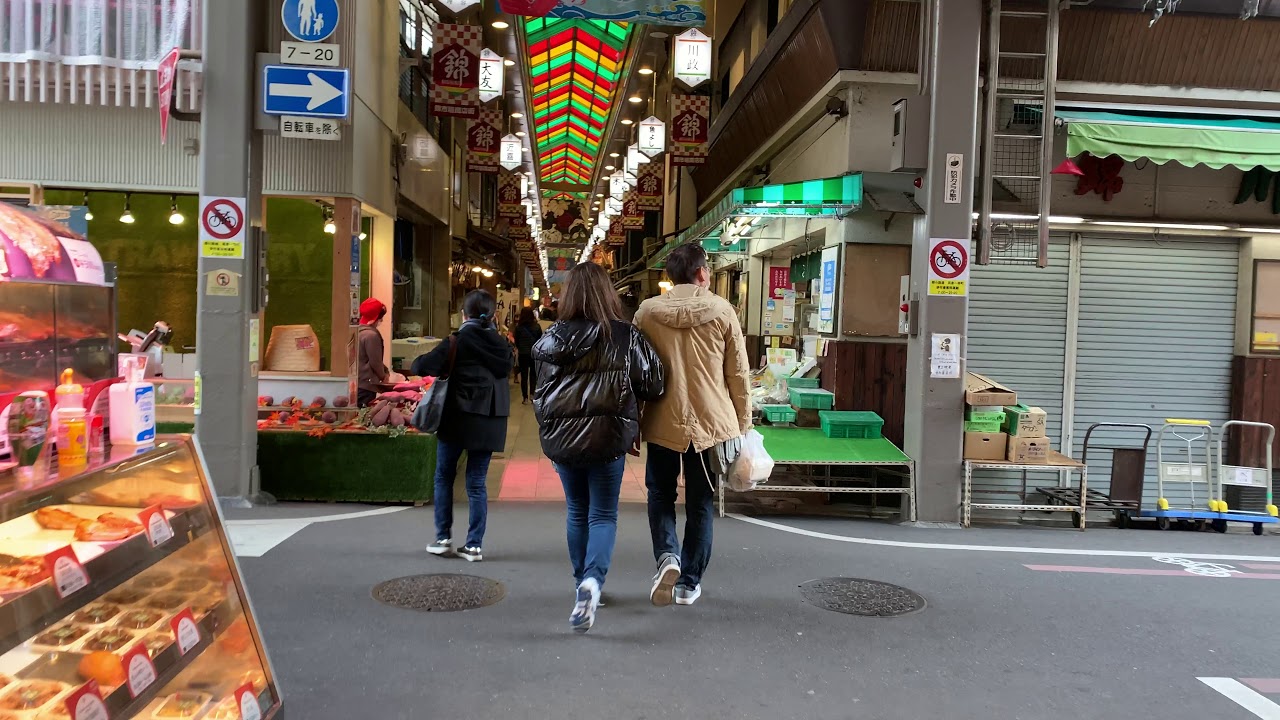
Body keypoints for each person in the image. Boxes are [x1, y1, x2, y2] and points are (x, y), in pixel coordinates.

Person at [533, 262, 665, 633]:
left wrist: (549, 424)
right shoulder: (625, 336)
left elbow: (539, 394)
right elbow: (654, 383)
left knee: (577, 511)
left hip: (562, 442)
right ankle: (593, 581)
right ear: (608, 294)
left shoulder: (549, 339)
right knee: (603, 515)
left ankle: (581, 584)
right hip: (609, 438)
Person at [634, 243, 751, 608]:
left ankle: (667, 556)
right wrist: (743, 423)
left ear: (670, 276)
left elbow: (635, 372)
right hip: (711, 426)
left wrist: (635, 422)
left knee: (660, 495)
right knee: (700, 502)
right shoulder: (722, 310)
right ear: (702, 273)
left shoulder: (647, 313)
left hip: (661, 421)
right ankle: (688, 584)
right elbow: (739, 374)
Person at [412, 290, 514, 563]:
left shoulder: (457, 341)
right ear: (493, 315)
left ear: (464, 314)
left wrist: (421, 361)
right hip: (490, 419)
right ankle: (474, 546)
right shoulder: (503, 345)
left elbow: (422, 365)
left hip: (457, 417)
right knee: (477, 483)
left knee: (444, 476)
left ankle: (443, 538)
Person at [351, 298, 390, 408]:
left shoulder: (355, 331)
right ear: (377, 317)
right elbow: (375, 362)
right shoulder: (371, 336)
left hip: (356, 383)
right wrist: (383, 376)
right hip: (366, 385)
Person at [512, 307, 543, 404]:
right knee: (533, 375)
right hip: (534, 354)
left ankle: (525, 398)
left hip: (523, 354)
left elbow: (516, 341)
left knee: (524, 376)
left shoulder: (518, 327)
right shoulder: (537, 327)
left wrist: (520, 347)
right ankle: (532, 395)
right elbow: (540, 340)